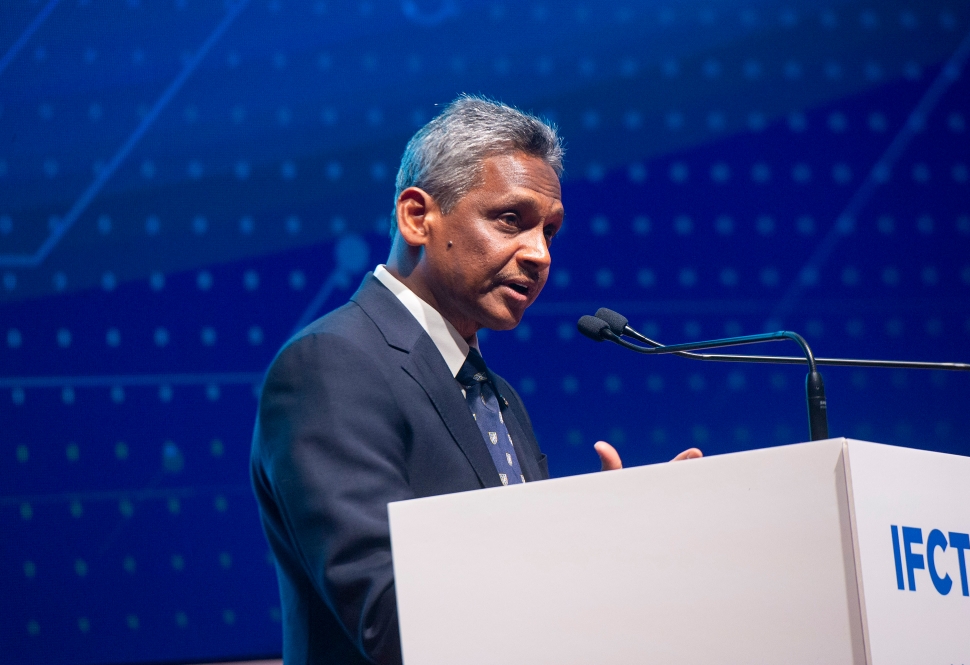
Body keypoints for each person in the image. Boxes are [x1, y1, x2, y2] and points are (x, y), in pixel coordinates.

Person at [250, 95, 701, 665]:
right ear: (418, 217)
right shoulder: (331, 365)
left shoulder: (496, 395)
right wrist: (594, 542)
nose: (539, 254)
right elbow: (391, 621)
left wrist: (620, 535)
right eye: (511, 219)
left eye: (551, 232)